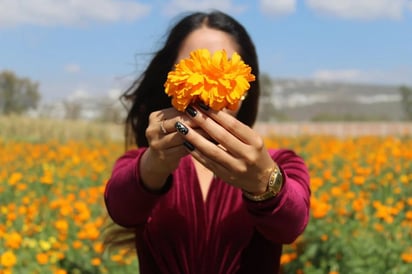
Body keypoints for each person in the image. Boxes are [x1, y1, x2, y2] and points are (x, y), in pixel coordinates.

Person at [104, 10, 311, 274]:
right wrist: (153, 165)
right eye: (190, 65)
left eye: (223, 64)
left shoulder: (280, 163)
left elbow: (291, 225)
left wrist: (264, 182)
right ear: (170, 80)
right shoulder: (141, 163)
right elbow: (122, 210)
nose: (204, 80)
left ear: (245, 87)